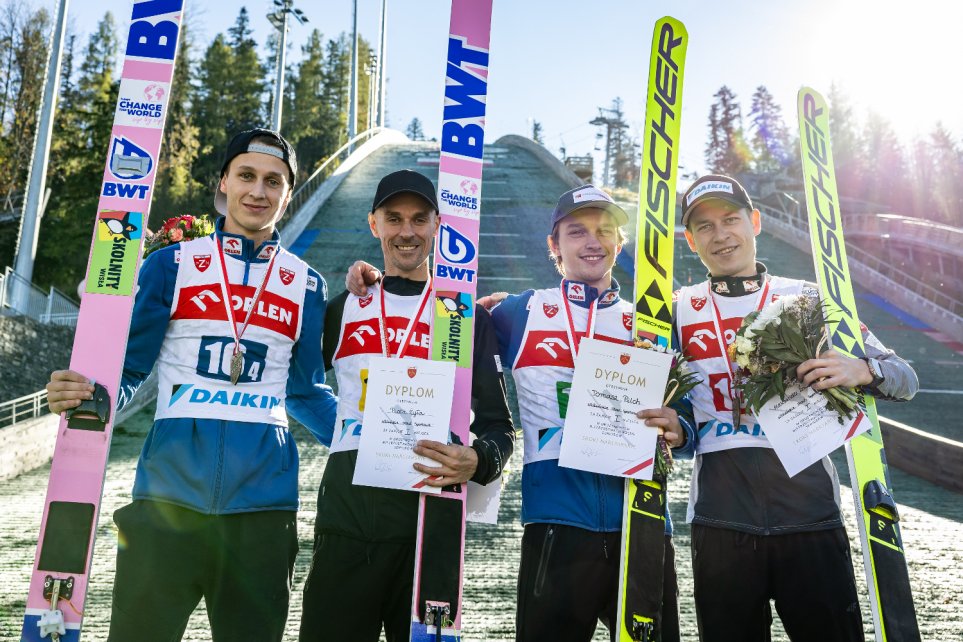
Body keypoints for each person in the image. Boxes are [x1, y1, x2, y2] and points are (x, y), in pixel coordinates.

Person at [346, 184, 694, 642]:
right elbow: (445, 322)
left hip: (642, 520)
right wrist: (380, 281)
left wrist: (681, 430)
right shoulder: (521, 311)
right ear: (554, 245)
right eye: (576, 232)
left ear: (619, 242)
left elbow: (685, 414)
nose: (593, 242)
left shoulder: (650, 322)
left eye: (604, 231)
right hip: (557, 522)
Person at [46, 128, 338, 642]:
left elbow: (307, 391)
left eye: (274, 181)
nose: (258, 191)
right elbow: (132, 368)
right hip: (166, 501)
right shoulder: (171, 264)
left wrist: (379, 447)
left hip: (264, 512)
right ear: (223, 182)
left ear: (288, 195)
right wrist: (86, 394)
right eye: (246, 175)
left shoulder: (306, 284)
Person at [674, 174, 919, 642]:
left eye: (731, 220)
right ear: (690, 240)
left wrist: (862, 370)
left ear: (756, 222)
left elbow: (905, 377)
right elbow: (672, 416)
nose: (720, 234)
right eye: (704, 226)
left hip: (811, 517)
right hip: (721, 523)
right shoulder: (675, 311)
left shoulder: (808, 297)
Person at [298, 169, 515, 642]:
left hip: (430, 525)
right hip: (348, 517)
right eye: (393, 218)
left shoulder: (463, 316)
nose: (407, 231)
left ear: (437, 224)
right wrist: (342, 432)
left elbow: (500, 425)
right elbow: (294, 385)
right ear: (374, 224)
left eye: (420, 219)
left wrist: (479, 459)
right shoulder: (342, 308)